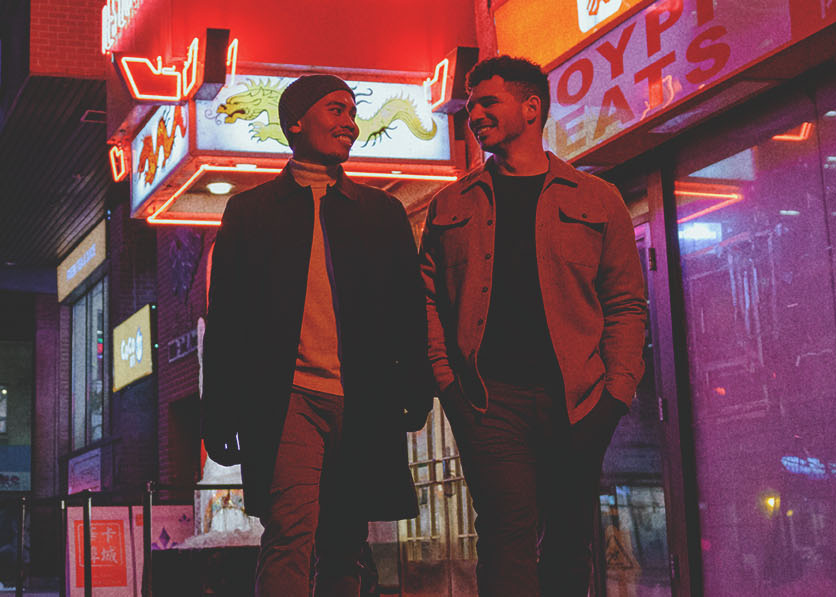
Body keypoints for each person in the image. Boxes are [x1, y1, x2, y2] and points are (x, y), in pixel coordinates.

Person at [419, 56, 648, 596]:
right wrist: (447, 384)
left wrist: (616, 393)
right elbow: (428, 302)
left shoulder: (597, 199)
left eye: (487, 102)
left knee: (570, 541)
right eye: (471, 103)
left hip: (580, 399)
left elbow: (626, 305)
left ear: (531, 108)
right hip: (488, 400)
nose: (473, 113)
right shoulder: (451, 204)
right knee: (505, 538)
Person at [202, 73, 433, 596]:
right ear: (296, 121)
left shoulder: (382, 212)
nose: (348, 123)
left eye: (352, 113)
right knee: (289, 531)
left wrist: (416, 387)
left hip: (363, 399)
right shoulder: (250, 211)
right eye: (335, 109)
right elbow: (227, 323)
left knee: (346, 540)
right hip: (286, 400)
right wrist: (217, 411)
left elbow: (407, 310)